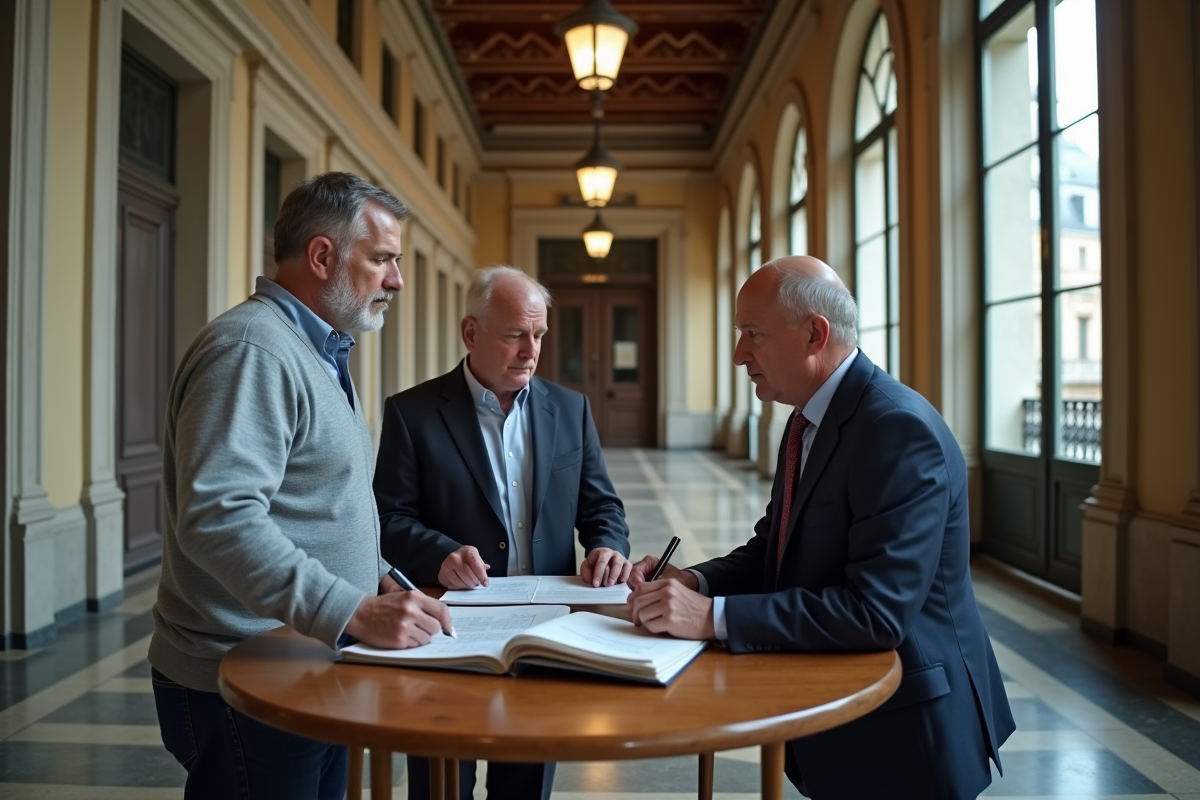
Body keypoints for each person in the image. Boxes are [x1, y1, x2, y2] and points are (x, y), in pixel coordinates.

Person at [627, 256, 1015, 800]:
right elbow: (774, 548)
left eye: (752, 334)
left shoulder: (897, 429)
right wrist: (694, 583)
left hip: (907, 734)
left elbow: (876, 613)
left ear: (815, 333)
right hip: (849, 719)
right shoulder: (808, 414)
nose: (739, 354)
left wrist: (711, 617)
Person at [149, 172, 453, 800]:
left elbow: (318, 504)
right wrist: (352, 611)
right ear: (322, 257)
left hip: (304, 659)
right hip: (242, 679)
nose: (396, 279)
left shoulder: (314, 350)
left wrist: (383, 581)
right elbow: (220, 516)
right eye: (383, 260)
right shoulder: (252, 350)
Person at [374, 265, 632, 800]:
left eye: (538, 335)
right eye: (515, 334)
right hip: (450, 629)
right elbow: (388, 520)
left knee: (526, 781)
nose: (530, 350)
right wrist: (440, 553)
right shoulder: (412, 413)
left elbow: (601, 505)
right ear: (471, 333)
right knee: (441, 783)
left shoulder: (570, 408)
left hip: (547, 629)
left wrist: (608, 544)